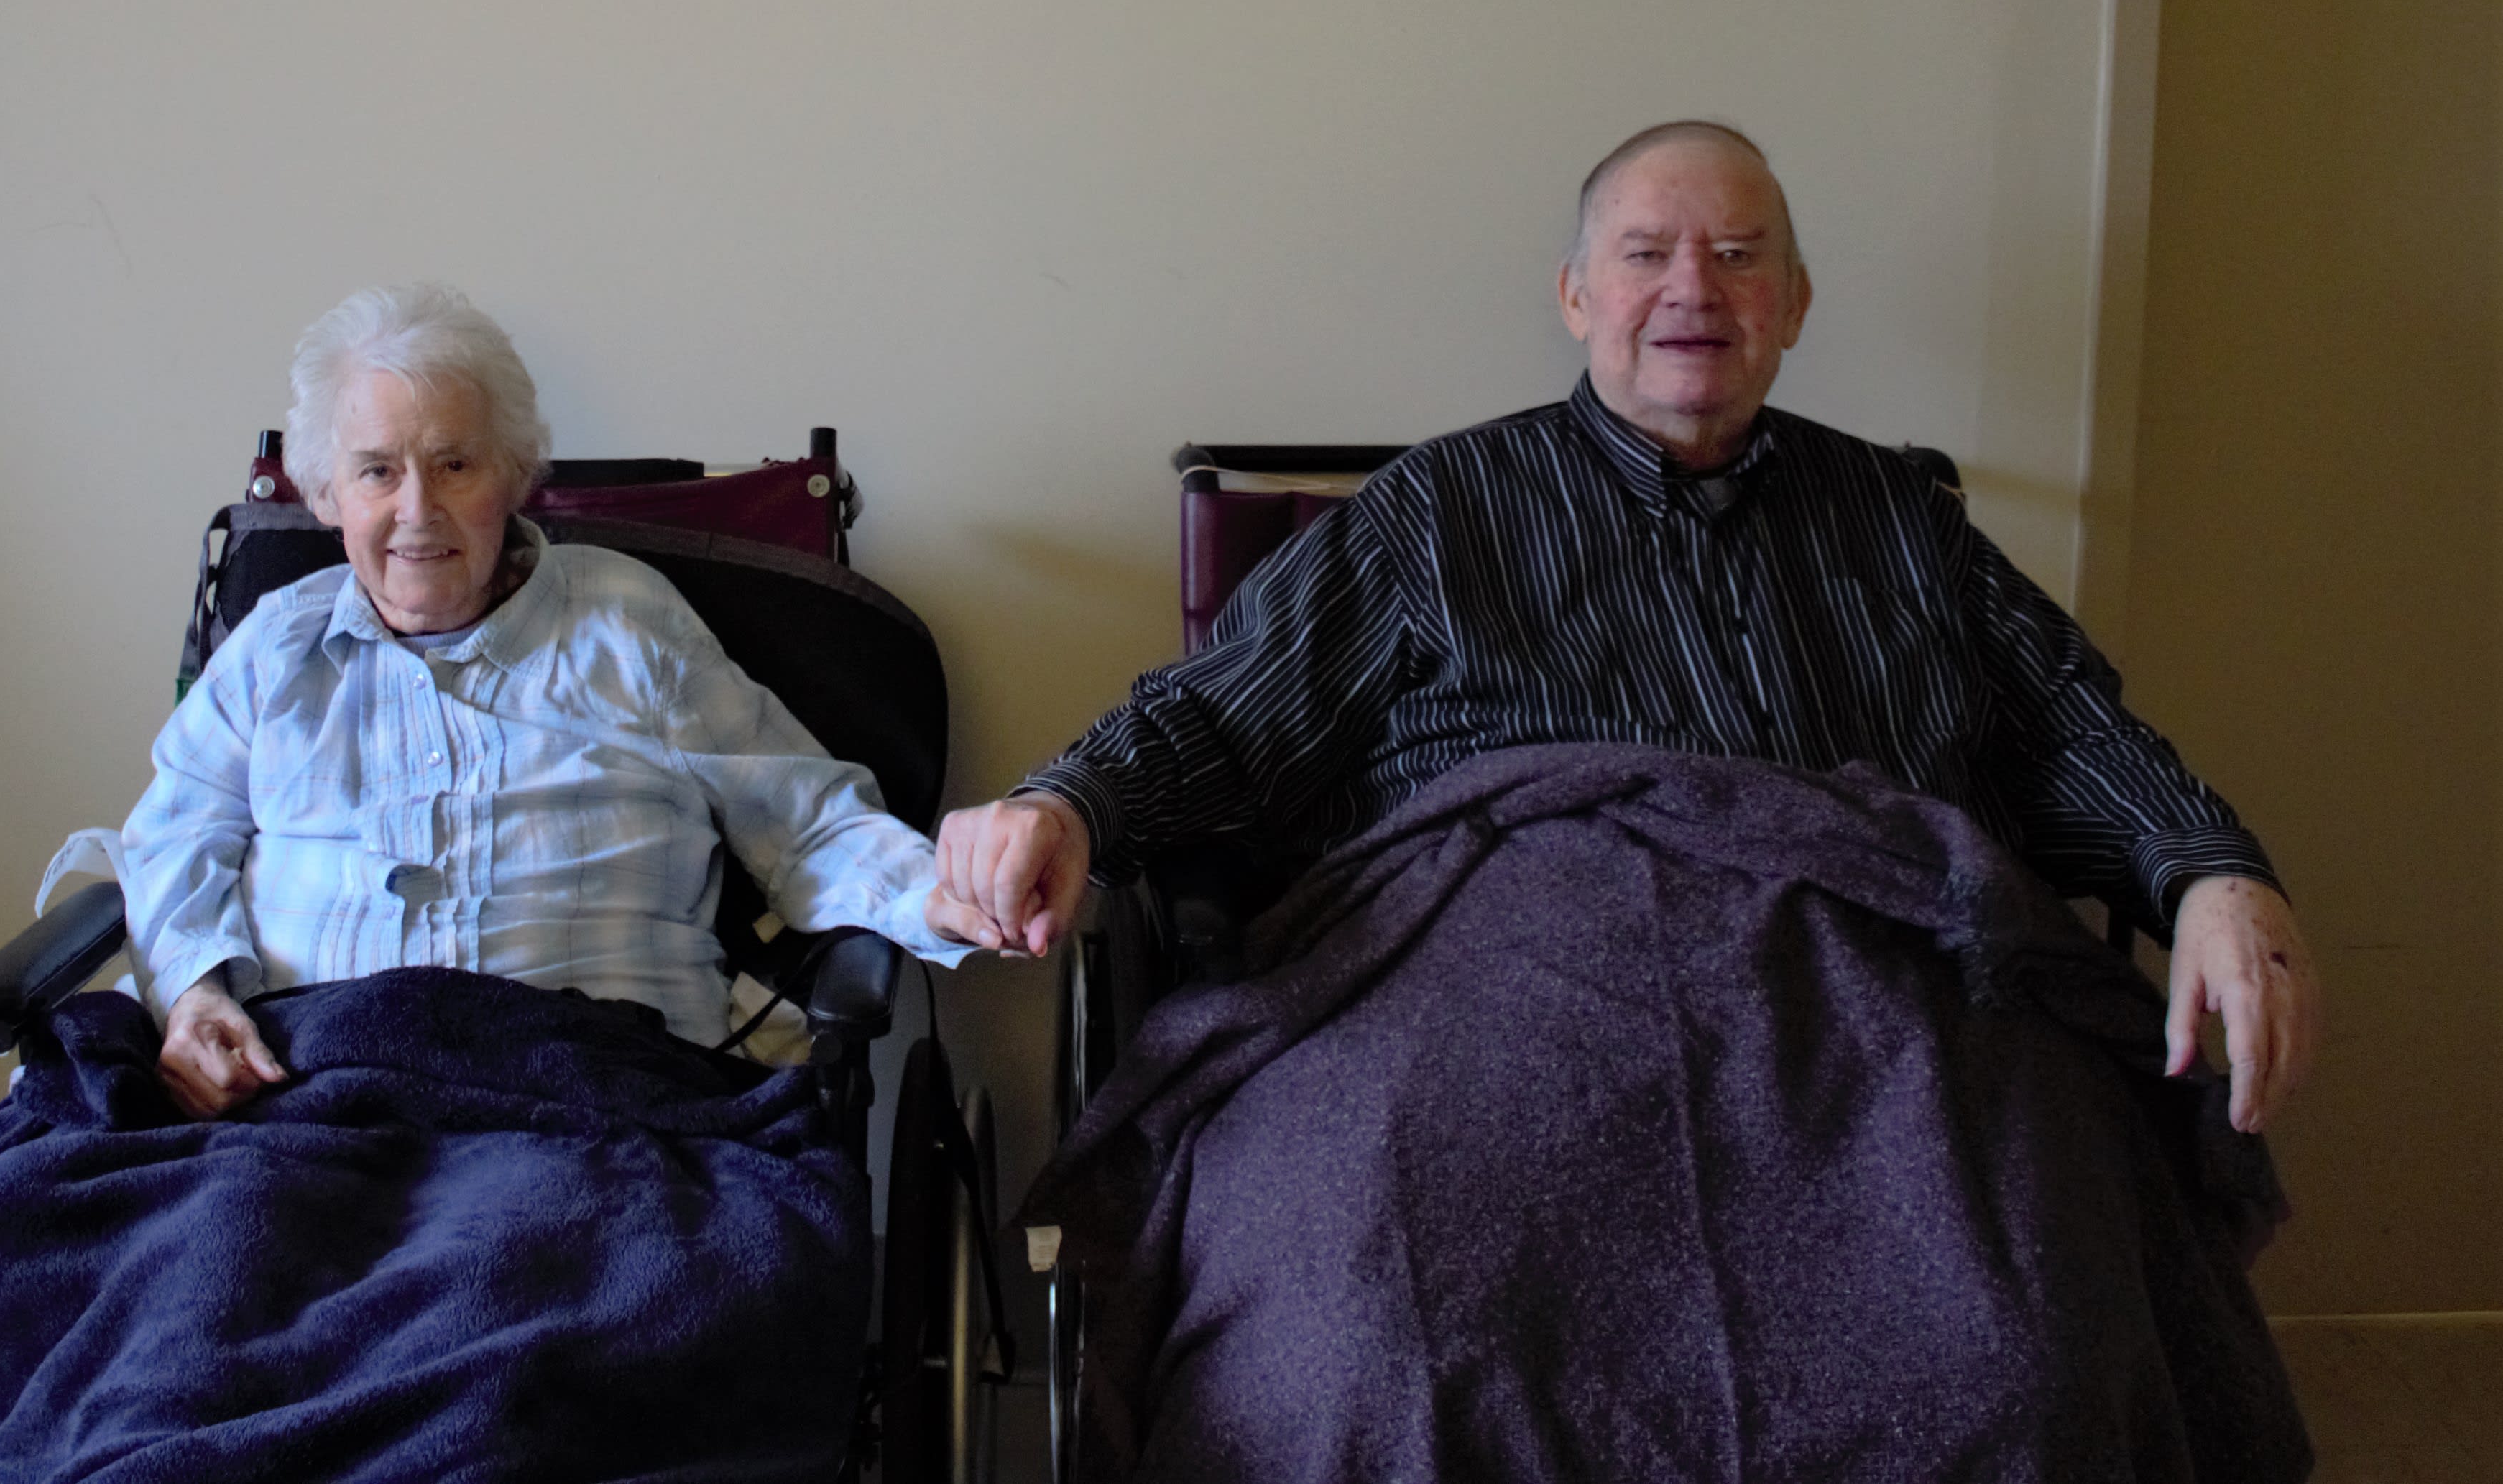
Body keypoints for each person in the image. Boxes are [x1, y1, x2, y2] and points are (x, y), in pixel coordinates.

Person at [936, 120, 2318, 1132]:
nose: (1691, 290)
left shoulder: (1901, 517)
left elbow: (2064, 726)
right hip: (1506, 1025)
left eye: (1734, 255)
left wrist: (2208, 873)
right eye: (1646, 253)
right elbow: (1222, 716)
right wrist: (1065, 802)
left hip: (1887, 1030)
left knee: (2028, 1329)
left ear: (1792, 302)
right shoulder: (1436, 509)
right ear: (1577, 296)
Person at [124, 282, 987, 1115]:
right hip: (301, 1101)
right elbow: (172, 838)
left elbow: (804, 822)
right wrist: (194, 994)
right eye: (378, 472)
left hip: (600, 1101)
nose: (417, 510)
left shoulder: (630, 625)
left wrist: (931, 898)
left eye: (454, 464)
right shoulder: (275, 648)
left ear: (514, 475)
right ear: (326, 495)